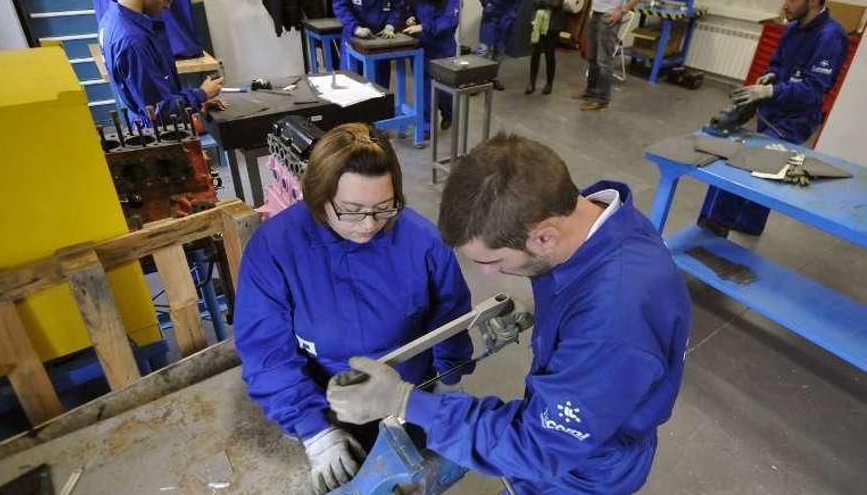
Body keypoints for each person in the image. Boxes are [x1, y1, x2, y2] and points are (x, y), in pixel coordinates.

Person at [327, 134, 692, 494]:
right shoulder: (593, 218)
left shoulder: (614, 320)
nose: (487, 273)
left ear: (545, 238)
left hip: (583, 472)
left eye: (494, 261)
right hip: (590, 419)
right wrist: (542, 314)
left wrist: (404, 401)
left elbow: (537, 447)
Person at [234, 123, 475, 495]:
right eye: (351, 210)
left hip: (408, 398)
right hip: (320, 409)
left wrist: (447, 378)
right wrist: (315, 432)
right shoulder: (275, 250)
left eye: (383, 208)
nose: (368, 225)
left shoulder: (422, 241)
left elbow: (450, 317)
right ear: (318, 196)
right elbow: (266, 352)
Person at [698, 0, 848, 237]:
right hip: (773, 111)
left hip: (796, 119)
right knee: (769, 167)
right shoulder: (793, 28)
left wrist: (772, 92)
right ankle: (750, 223)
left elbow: (814, 90)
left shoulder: (830, 36)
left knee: (748, 161)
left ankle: (715, 224)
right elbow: (777, 65)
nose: (785, 3)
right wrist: (770, 76)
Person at [98, 0, 226, 126]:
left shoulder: (111, 18)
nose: (167, 6)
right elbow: (159, 111)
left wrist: (196, 104)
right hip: (157, 132)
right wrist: (201, 94)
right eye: (166, 0)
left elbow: (154, 94)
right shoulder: (133, 40)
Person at [402, 0, 459, 131]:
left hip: (443, 49)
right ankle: (426, 125)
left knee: (445, 90)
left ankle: (447, 113)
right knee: (423, 88)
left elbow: (450, 20)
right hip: (422, 47)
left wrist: (424, 27)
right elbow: (411, 8)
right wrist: (411, 17)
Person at [573, 0, 639, 110]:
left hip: (609, 15)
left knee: (603, 59)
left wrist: (621, 11)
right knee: (592, 57)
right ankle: (591, 91)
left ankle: (602, 98)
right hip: (596, 13)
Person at [334, 0, 401, 88]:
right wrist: (355, 28)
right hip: (353, 37)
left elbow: (397, 6)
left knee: (379, 88)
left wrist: (391, 24)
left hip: (379, 40)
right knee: (351, 83)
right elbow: (340, 6)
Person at [474, 0, 522, 90]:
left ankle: (493, 77)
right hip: (491, 16)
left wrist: (513, 13)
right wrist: (486, 3)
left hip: (506, 17)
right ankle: (477, 81)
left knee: (499, 51)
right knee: (483, 50)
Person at [525, 0, 563, 95]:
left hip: (553, 24)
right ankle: (532, 82)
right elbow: (535, 3)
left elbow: (556, 4)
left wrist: (542, 3)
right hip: (538, 22)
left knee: (550, 55)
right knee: (535, 54)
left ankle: (549, 83)